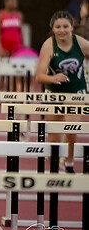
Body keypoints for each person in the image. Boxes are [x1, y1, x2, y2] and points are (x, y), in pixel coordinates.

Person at [35, 11, 89, 173]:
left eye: (65, 26)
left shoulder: (81, 43)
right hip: (54, 92)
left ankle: (69, 162)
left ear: (72, 27)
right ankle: (54, 165)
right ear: (53, 29)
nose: (62, 30)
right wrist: (53, 78)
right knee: (54, 135)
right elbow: (39, 76)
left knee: (72, 129)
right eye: (58, 27)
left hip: (75, 91)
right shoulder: (49, 45)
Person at [0, 0, 24, 90]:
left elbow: (20, 31)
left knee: (15, 70)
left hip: (17, 45)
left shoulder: (19, 15)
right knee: (3, 69)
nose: (15, 3)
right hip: (5, 45)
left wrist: (22, 46)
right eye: (12, 1)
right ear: (6, 2)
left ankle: (13, 90)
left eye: (16, 1)